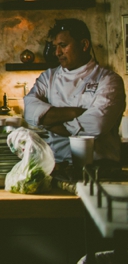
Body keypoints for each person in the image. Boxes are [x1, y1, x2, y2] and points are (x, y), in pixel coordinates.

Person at [24, 18, 126, 165]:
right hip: (57, 164)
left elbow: (97, 125)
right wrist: (75, 112)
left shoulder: (108, 80)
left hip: (100, 167)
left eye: (63, 45)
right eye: (55, 47)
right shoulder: (48, 77)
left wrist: (47, 121)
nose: (57, 53)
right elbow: (29, 111)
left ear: (84, 45)